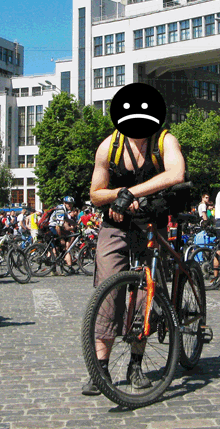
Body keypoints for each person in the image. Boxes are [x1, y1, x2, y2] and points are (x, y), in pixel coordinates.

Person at [82, 85, 185, 397]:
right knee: (108, 292)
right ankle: (100, 369)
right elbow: (95, 194)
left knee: (145, 294)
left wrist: (131, 194)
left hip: (152, 222)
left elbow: (176, 174)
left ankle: (136, 365)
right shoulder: (109, 147)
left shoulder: (164, 141)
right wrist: (119, 196)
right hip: (116, 225)